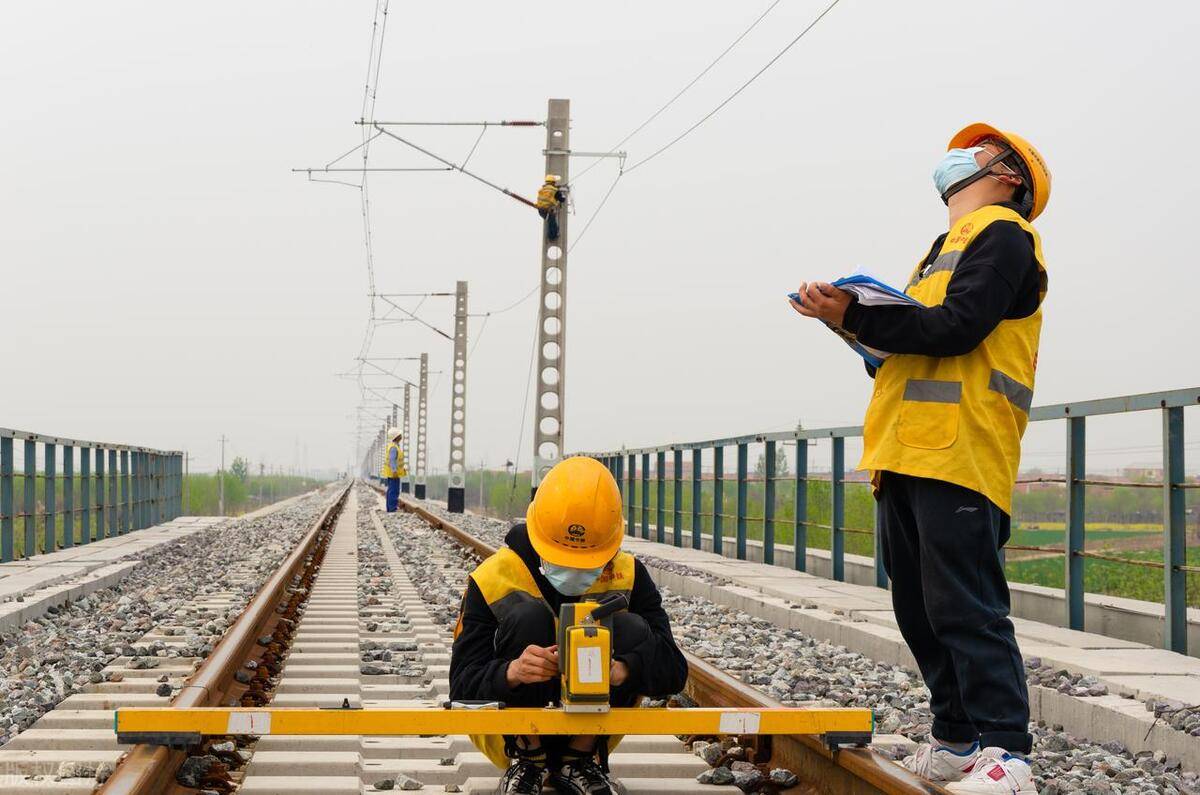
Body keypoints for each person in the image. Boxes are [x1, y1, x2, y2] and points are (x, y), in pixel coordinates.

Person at [790, 122, 1051, 795]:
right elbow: (904, 349)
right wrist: (845, 318)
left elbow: (958, 328)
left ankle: (1008, 752)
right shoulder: (943, 248)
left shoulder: (1004, 235)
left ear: (1008, 175)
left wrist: (862, 314)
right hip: (906, 454)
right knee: (919, 605)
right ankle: (958, 737)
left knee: (965, 604)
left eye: (979, 151)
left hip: (961, 450)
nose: (959, 157)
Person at [449, 456, 688, 795]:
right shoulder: (493, 578)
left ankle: (579, 759)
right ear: (537, 537)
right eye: (563, 559)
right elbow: (460, 686)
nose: (575, 572)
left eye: (588, 562)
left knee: (630, 629)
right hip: (509, 735)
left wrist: (621, 670)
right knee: (528, 618)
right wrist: (512, 672)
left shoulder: (630, 576)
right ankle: (527, 758)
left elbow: (674, 670)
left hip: (593, 733)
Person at [380, 427, 406, 512]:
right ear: (396, 436)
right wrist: (394, 470)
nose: (401, 435)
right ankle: (392, 509)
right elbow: (392, 460)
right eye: (399, 434)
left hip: (394, 473)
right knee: (394, 491)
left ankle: (390, 508)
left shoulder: (394, 446)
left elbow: (396, 460)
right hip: (393, 473)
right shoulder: (394, 447)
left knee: (392, 490)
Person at [536, 174, 566, 241]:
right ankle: (552, 237)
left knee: (550, 221)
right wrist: (563, 196)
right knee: (553, 223)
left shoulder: (542, 189)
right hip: (548, 210)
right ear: (553, 182)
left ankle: (551, 235)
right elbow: (562, 199)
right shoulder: (555, 190)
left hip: (540, 210)